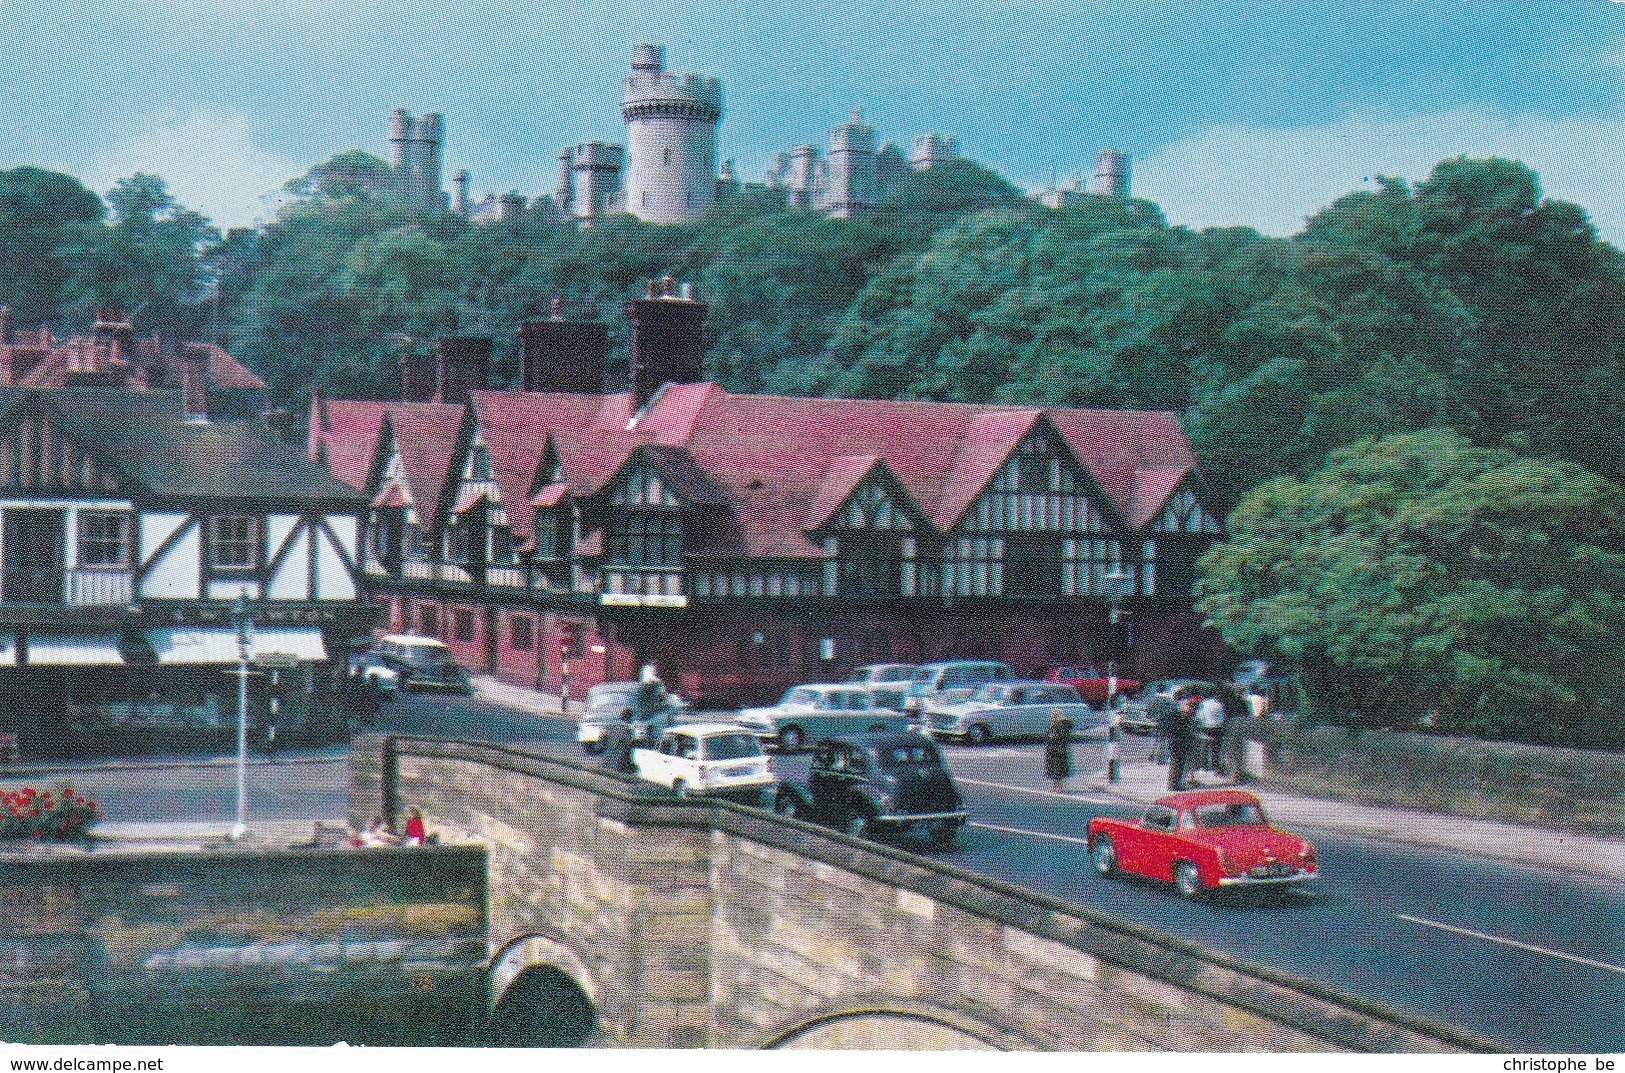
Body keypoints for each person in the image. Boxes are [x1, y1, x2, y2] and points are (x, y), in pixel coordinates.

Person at [1165, 690, 1201, 791]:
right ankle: (1174, 785)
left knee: (1175, 764)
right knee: (1178, 764)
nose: (1194, 711)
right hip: (1180, 742)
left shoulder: (1178, 712)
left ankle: (1173, 784)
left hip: (1175, 741)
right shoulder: (1184, 716)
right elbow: (1187, 731)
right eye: (1194, 708)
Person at [1043, 707, 1075, 793]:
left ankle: (1060, 787)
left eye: (1055, 715)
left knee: (1058, 769)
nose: (1053, 717)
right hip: (1053, 750)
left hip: (1058, 750)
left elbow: (1059, 736)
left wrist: (1052, 737)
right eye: (1053, 715)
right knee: (1054, 769)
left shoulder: (1061, 725)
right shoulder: (1054, 724)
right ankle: (1055, 786)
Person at [1195, 691, 1225, 772]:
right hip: (1216, 728)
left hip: (1205, 727)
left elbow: (1199, 716)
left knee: (1204, 747)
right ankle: (1215, 766)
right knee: (1216, 748)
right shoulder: (1219, 705)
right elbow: (1222, 719)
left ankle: (1204, 766)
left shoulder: (1203, 703)